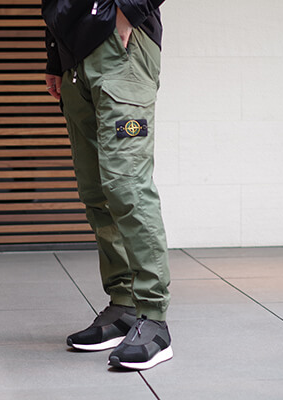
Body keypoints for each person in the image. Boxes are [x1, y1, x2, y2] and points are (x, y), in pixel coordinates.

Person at [42, 0, 172, 370]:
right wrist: (55, 58)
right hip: (74, 58)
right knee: (96, 191)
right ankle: (124, 306)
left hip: (119, 46)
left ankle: (154, 319)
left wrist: (128, 11)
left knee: (126, 185)